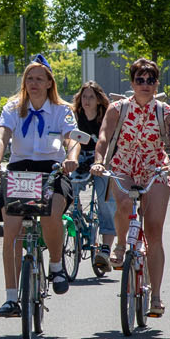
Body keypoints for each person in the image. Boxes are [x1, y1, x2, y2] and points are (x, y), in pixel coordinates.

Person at [0, 56, 80, 315]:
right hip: (20, 170)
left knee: (52, 211)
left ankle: (56, 264)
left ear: (50, 82)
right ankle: (10, 297)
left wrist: (71, 159)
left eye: (40, 78)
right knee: (12, 230)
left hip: (52, 169)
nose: (34, 83)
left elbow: (73, 139)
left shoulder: (62, 110)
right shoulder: (13, 107)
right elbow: (2, 135)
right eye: (30, 78)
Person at [91, 57, 170, 316]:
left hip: (155, 168)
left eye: (150, 80)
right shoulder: (117, 108)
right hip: (124, 165)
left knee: (154, 232)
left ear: (156, 84)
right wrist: (99, 162)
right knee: (125, 202)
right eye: (139, 80)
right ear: (132, 82)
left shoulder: (166, 112)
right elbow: (104, 137)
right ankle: (120, 244)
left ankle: (155, 296)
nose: (145, 84)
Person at [70, 81, 116, 275]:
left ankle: (105, 250)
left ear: (98, 100)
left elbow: (111, 141)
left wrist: (105, 162)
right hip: (79, 159)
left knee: (105, 201)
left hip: (102, 160)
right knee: (68, 189)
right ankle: (77, 217)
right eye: (84, 96)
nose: (87, 101)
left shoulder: (105, 117)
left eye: (91, 97)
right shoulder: (74, 116)